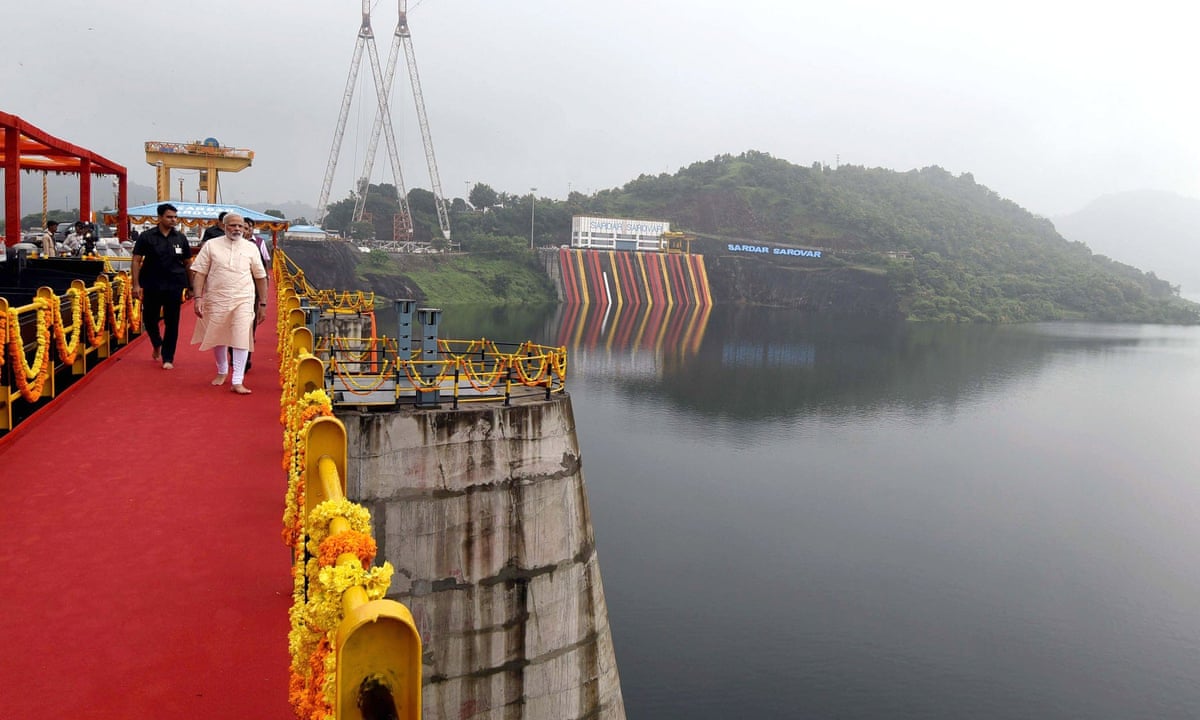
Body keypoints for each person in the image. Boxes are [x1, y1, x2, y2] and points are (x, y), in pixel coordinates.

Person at [189, 213, 268, 394]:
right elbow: (200, 273)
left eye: (240, 226)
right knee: (218, 336)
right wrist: (198, 298)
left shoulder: (251, 248)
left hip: (244, 299)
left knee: (241, 337)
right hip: (216, 298)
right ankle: (222, 370)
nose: (237, 229)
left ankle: (237, 380)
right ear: (224, 226)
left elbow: (261, 277)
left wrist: (263, 303)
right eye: (233, 225)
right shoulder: (211, 245)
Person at [131, 203, 192, 369]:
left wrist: (191, 287)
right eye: (169, 217)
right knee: (149, 319)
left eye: (175, 217)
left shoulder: (180, 238)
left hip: (174, 284)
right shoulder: (146, 237)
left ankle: (168, 357)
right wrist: (135, 285)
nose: (173, 220)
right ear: (159, 218)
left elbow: (187, 263)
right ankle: (157, 342)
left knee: (172, 322)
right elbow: (136, 260)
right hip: (152, 283)